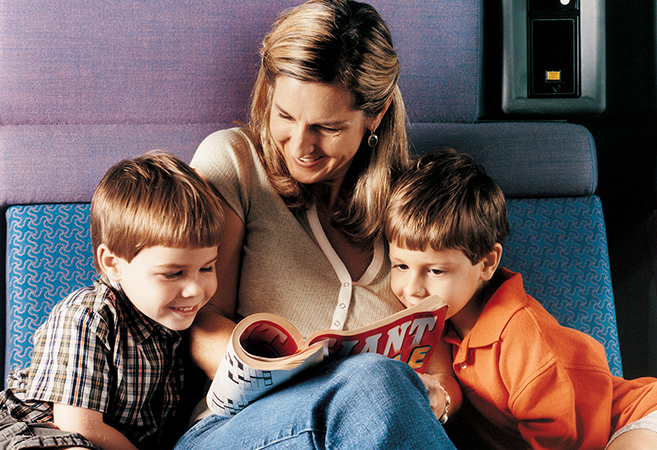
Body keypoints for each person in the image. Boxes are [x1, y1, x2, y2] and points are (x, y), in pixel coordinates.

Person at [177, 1, 458, 448]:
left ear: (375, 115)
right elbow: (202, 322)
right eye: (286, 116)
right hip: (232, 430)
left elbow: (438, 362)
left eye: (327, 127)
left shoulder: (412, 205)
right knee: (371, 381)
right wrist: (299, 373)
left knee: (378, 385)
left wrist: (435, 398)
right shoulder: (234, 163)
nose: (300, 145)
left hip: (371, 429)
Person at [385, 148, 657, 450]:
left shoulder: (521, 338)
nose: (413, 288)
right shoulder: (438, 329)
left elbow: (565, 441)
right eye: (401, 265)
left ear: (487, 263)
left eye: (435, 272)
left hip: (655, 416)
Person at [0, 152, 225, 450]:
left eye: (207, 267)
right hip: (37, 431)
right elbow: (77, 425)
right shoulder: (89, 316)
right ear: (113, 263)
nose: (196, 289)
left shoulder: (174, 323)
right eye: (173, 273)